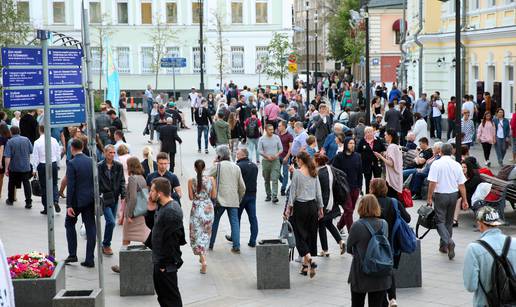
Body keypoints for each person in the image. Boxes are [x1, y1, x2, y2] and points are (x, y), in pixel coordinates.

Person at [463, 206, 516, 307]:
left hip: (485, 303)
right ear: (498, 223)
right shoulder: (514, 243)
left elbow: (470, 286)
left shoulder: (474, 249)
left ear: (480, 224)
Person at [369, 178, 411, 307]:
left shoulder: (370, 203)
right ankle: (392, 298)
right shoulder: (394, 202)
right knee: (389, 268)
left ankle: (385, 301)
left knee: (379, 273)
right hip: (393, 243)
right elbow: (408, 219)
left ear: (372, 189)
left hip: (375, 244)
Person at [146, 177, 186, 306]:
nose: (149, 193)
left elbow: (171, 242)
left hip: (165, 263)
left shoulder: (171, 211)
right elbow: (153, 226)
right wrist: (150, 209)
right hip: (159, 260)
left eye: (152, 191)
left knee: (170, 299)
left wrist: (164, 265)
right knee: (163, 297)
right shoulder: (162, 206)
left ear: (160, 193)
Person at [346, 194, 390, 307]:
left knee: (357, 303)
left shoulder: (357, 226)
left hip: (361, 273)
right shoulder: (384, 224)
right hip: (380, 272)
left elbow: (349, 248)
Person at [285, 151, 323, 278]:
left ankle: (309, 258)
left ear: (301, 160)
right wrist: (321, 207)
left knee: (299, 235)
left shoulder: (297, 173)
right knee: (310, 235)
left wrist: (288, 208)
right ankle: (305, 267)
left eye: (297, 160)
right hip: (312, 206)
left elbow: (293, 192)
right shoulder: (314, 172)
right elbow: (318, 192)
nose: (296, 162)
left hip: (300, 206)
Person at [426, 143, 468, 260]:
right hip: (453, 195)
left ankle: (448, 241)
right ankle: (443, 246)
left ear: (441, 152)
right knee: (449, 222)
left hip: (441, 194)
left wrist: (429, 197)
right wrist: (464, 200)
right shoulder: (456, 165)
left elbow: (432, 183)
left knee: (440, 221)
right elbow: (461, 184)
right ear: (452, 152)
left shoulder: (436, 164)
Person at [207, 145, 246, 253]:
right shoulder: (236, 167)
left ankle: (210, 244)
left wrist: (214, 163)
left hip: (220, 200)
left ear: (219, 155)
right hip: (233, 200)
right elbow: (242, 187)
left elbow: (207, 177)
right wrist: (238, 198)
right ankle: (236, 246)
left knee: (215, 222)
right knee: (235, 223)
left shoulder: (218, 166)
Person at [64, 139, 96, 268]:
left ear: (72, 148)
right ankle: (90, 259)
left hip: (77, 201)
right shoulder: (91, 161)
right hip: (90, 200)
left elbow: (70, 186)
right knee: (90, 228)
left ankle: (73, 254)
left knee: (69, 224)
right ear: (82, 147)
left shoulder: (72, 163)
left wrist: (68, 205)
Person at [314, 153, 346, 257]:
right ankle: (341, 242)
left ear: (317, 162)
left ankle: (325, 250)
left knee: (321, 225)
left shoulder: (319, 173)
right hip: (333, 202)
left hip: (324, 204)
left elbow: (318, 192)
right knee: (328, 223)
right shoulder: (330, 168)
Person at [188, 160, 216, 274]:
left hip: (196, 208)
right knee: (205, 233)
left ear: (195, 168)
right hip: (208, 208)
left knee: (196, 233)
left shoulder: (191, 181)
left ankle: (203, 259)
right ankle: (202, 255)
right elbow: (213, 195)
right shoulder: (211, 179)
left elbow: (190, 197)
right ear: (204, 168)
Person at [98, 145, 126, 256]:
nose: (112, 155)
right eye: (110, 152)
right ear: (105, 153)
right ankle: (106, 244)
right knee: (111, 221)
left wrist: (123, 194)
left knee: (111, 223)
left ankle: (105, 243)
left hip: (115, 197)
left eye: (114, 152)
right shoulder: (99, 166)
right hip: (104, 197)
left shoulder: (118, 166)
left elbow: (122, 181)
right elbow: (96, 181)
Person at [332, 137, 363, 231]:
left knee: (350, 210)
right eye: (350, 143)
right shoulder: (339, 156)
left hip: (355, 187)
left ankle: (339, 226)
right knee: (348, 209)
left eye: (353, 143)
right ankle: (352, 232)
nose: (352, 145)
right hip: (343, 188)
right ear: (346, 144)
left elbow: (359, 172)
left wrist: (360, 186)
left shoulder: (357, 156)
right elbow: (334, 171)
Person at [31, 125, 61, 214]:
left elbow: (35, 156)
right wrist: (58, 164)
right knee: (54, 184)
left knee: (44, 186)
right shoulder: (54, 140)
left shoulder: (37, 142)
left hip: (42, 165)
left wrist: (34, 169)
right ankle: (55, 200)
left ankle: (46, 207)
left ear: (39, 130)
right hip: (53, 163)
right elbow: (58, 153)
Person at [4, 126, 33, 209]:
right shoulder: (26, 139)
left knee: (11, 183)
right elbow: (31, 150)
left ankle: (10, 199)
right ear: (19, 131)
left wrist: (6, 168)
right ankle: (28, 202)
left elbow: (7, 156)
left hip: (14, 167)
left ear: (11, 132)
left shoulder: (10, 142)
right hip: (25, 166)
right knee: (26, 183)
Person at [453, 159, 482, 227]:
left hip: (472, 196)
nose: (463, 169)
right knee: (452, 196)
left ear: (468, 168)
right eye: (462, 167)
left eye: (465, 167)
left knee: (459, 199)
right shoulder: (461, 176)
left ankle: (455, 220)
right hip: (464, 194)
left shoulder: (474, 177)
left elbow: (467, 188)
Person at [374, 129, 403, 199]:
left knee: (392, 198)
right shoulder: (395, 146)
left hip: (392, 177)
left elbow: (391, 163)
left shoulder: (391, 147)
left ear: (390, 136)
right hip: (396, 175)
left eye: (385, 135)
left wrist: (380, 156)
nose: (384, 137)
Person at [357, 126, 386, 194]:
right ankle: (368, 195)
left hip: (377, 163)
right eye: (367, 132)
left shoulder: (378, 140)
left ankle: (378, 194)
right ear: (365, 134)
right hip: (366, 164)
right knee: (368, 180)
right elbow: (358, 152)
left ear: (373, 132)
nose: (369, 133)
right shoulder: (362, 141)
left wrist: (382, 154)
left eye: (370, 132)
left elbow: (384, 149)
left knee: (378, 180)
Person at [258, 124, 283, 203]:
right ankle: (268, 195)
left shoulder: (276, 137)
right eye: (270, 129)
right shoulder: (262, 139)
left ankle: (274, 195)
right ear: (266, 130)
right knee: (267, 179)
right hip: (266, 161)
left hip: (275, 161)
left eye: (272, 129)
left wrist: (276, 155)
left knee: (275, 178)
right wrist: (266, 156)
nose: (272, 131)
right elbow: (259, 150)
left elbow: (281, 149)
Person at [278, 121, 293, 196]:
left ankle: (283, 188)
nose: (278, 127)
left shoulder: (289, 136)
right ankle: (283, 181)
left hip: (285, 157)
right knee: (277, 172)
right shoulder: (278, 135)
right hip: (278, 156)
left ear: (284, 126)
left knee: (285, 173)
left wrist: (287, 157)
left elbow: (291, 148)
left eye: (279, 126)